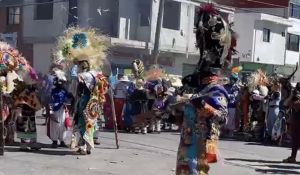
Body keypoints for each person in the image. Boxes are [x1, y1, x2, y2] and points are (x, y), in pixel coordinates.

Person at [49, 70, 74, 148]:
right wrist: (50, 110)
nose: (62, 84)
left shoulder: (64, 90)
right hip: (54, 110)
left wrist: (73, 95)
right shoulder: (52, 91)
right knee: (55, 125)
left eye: (63, 83)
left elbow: (69, 96)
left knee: (63, 125)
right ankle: (54, 141)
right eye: (61, 82)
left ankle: (62, 140)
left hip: (62, 110)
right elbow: (49, 100)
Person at [283, 82, 300, 163]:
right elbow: (285, 104)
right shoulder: (295, 96)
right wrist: (291, 96)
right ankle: (293, 157)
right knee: (295, 140)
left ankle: (293, 157)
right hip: (296, 121)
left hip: (297, 121)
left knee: (296, 140)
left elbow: (296, 105)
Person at [224, 73, 240, 137]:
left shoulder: (236, 87)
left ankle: (231, 132)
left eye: (234, 79)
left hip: (232, 105)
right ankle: (224, 131)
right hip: (224, 105)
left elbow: (234, 96)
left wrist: (226, 95)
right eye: (232, 79)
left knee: (231, 119)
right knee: (224, 118)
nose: (232, 81)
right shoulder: (225, 86)